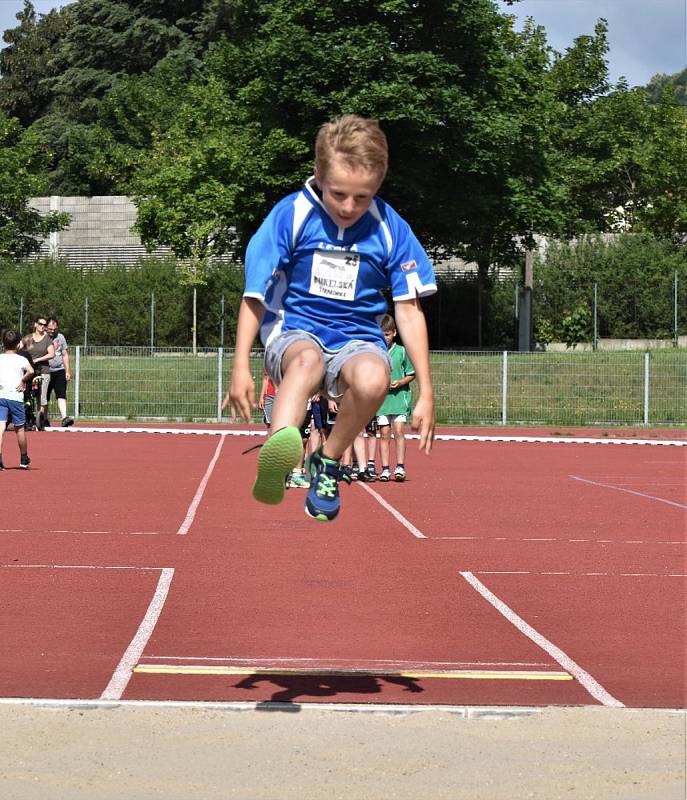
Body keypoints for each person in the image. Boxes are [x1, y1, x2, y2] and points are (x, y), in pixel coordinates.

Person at [224, 114, 436, 522]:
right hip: (295, 328)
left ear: (378, 185)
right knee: (307, 361)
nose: (349, 207)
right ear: (318, 175)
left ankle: (328, 460)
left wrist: (425, 389)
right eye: (339, 194)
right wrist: (239, 367)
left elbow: (409, 310)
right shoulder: (291, 216)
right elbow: (254, 296)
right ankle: (280, 455)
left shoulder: (390, 228)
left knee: (375, 377)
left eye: (363, 197)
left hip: (357, 337)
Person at [375, 313, 415, 482]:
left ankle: (400, 466)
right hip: (382, 401)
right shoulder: (375, 351)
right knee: (384, 434)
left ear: (394, 333)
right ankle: (385, 469)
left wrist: (400, 382)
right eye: (381, 334)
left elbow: (411, 374)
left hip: (399, 399)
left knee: (398, 431)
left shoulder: (402, 351)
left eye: (387, 334)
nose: (385, 338)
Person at [0, 329, 34, 470]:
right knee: (19, 429)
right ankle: (24, 458)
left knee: (0, 427)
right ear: (18, 344)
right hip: (15, 397)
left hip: (1, 395)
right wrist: (23, 380)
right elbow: (31, 371)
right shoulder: (22, 359)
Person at [19, 316, 54, 430]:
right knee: (27, 395)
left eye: (44, 325)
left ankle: (40, 420)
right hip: (30, 371)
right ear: (35, 324)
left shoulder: (47, 338)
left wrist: (37, 360)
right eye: (40, 324)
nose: (42, 326)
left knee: (41, 397)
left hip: (43, 371)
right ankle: (27, 418)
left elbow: (51, 354)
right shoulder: (28, 338)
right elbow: (18, 347)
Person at [45, 317, 74, 427]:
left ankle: (64, 418)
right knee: (45, 397)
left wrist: (67, 370)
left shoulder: (60, 337)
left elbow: (65, 354)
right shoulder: (43, 337)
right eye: (50, 329)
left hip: (59, 370)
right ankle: (44, 418)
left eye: (54, 329)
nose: (52, 331)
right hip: (45, 371)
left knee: (61, 394)